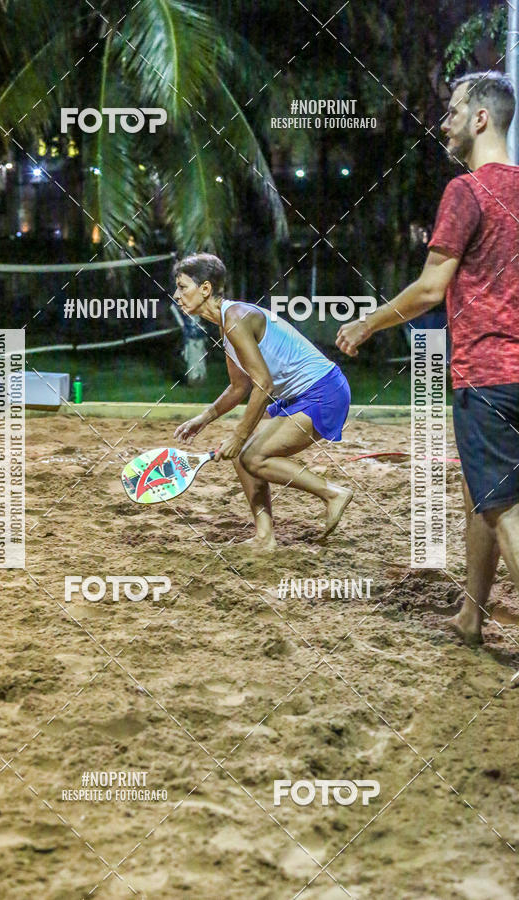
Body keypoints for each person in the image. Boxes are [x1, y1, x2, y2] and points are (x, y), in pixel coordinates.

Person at [336, 71, 519, 645]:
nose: (445, 123)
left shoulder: (466, 192)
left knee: (505, 510)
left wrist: (367, 322)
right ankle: (471, 617)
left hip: (488, 376)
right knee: (482, 496)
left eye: (453, 111)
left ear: (481, 119)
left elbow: (428, 290)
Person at [172, 252, 352, 548]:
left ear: (205, 289)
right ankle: (265, 537)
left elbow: (263, 384)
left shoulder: (235, 319)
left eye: (182, 287)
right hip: (305, 395)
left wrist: (237, 433)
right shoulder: (226, 322)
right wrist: (203, 419)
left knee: (251, 456)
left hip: (323, 392)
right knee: (243, 455)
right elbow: (239, 386)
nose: (177, 295)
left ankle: (333, 493)